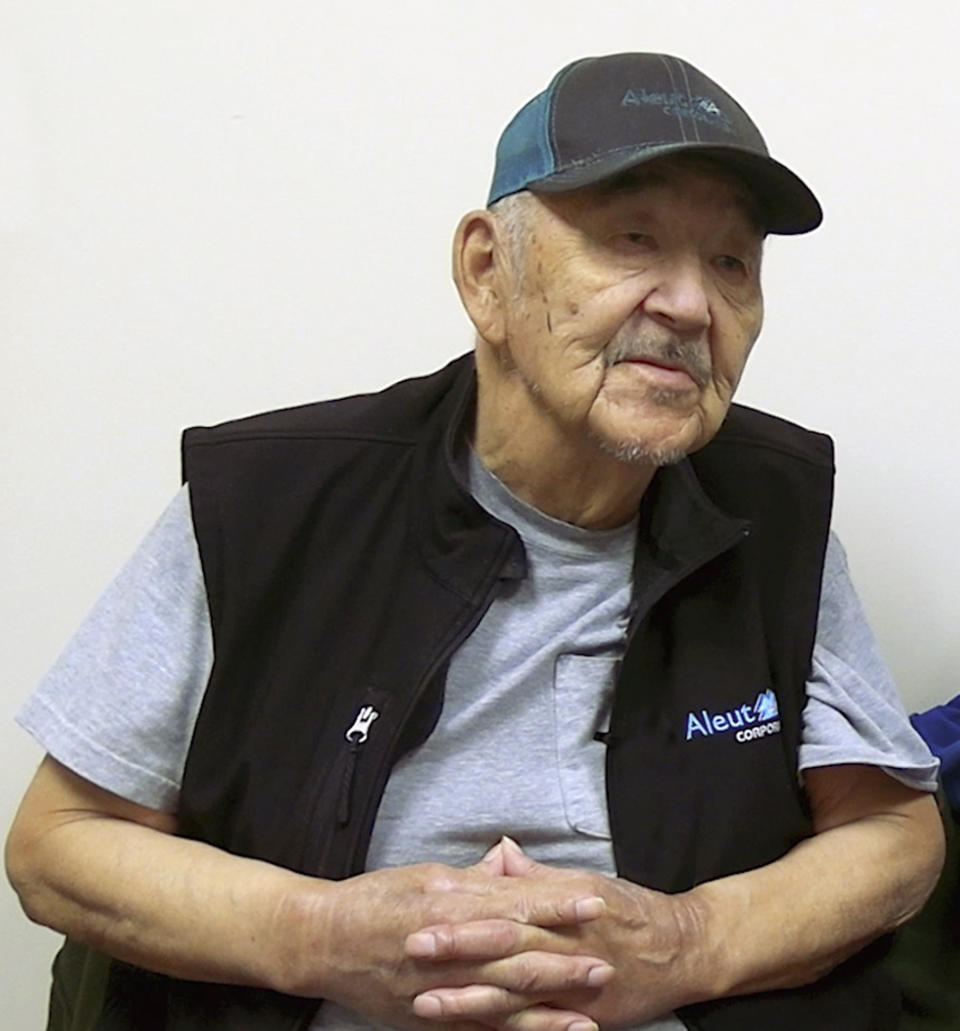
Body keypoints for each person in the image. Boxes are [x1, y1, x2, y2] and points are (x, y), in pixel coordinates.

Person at [5, 52, 946, 1031]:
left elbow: (891, 828)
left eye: (730, 263)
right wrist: (322, 933)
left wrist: (689, 943)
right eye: (633, 239)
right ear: (487, 271)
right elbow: (56, 844)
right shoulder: (269, 504)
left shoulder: (772, 509)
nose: (690, 305)